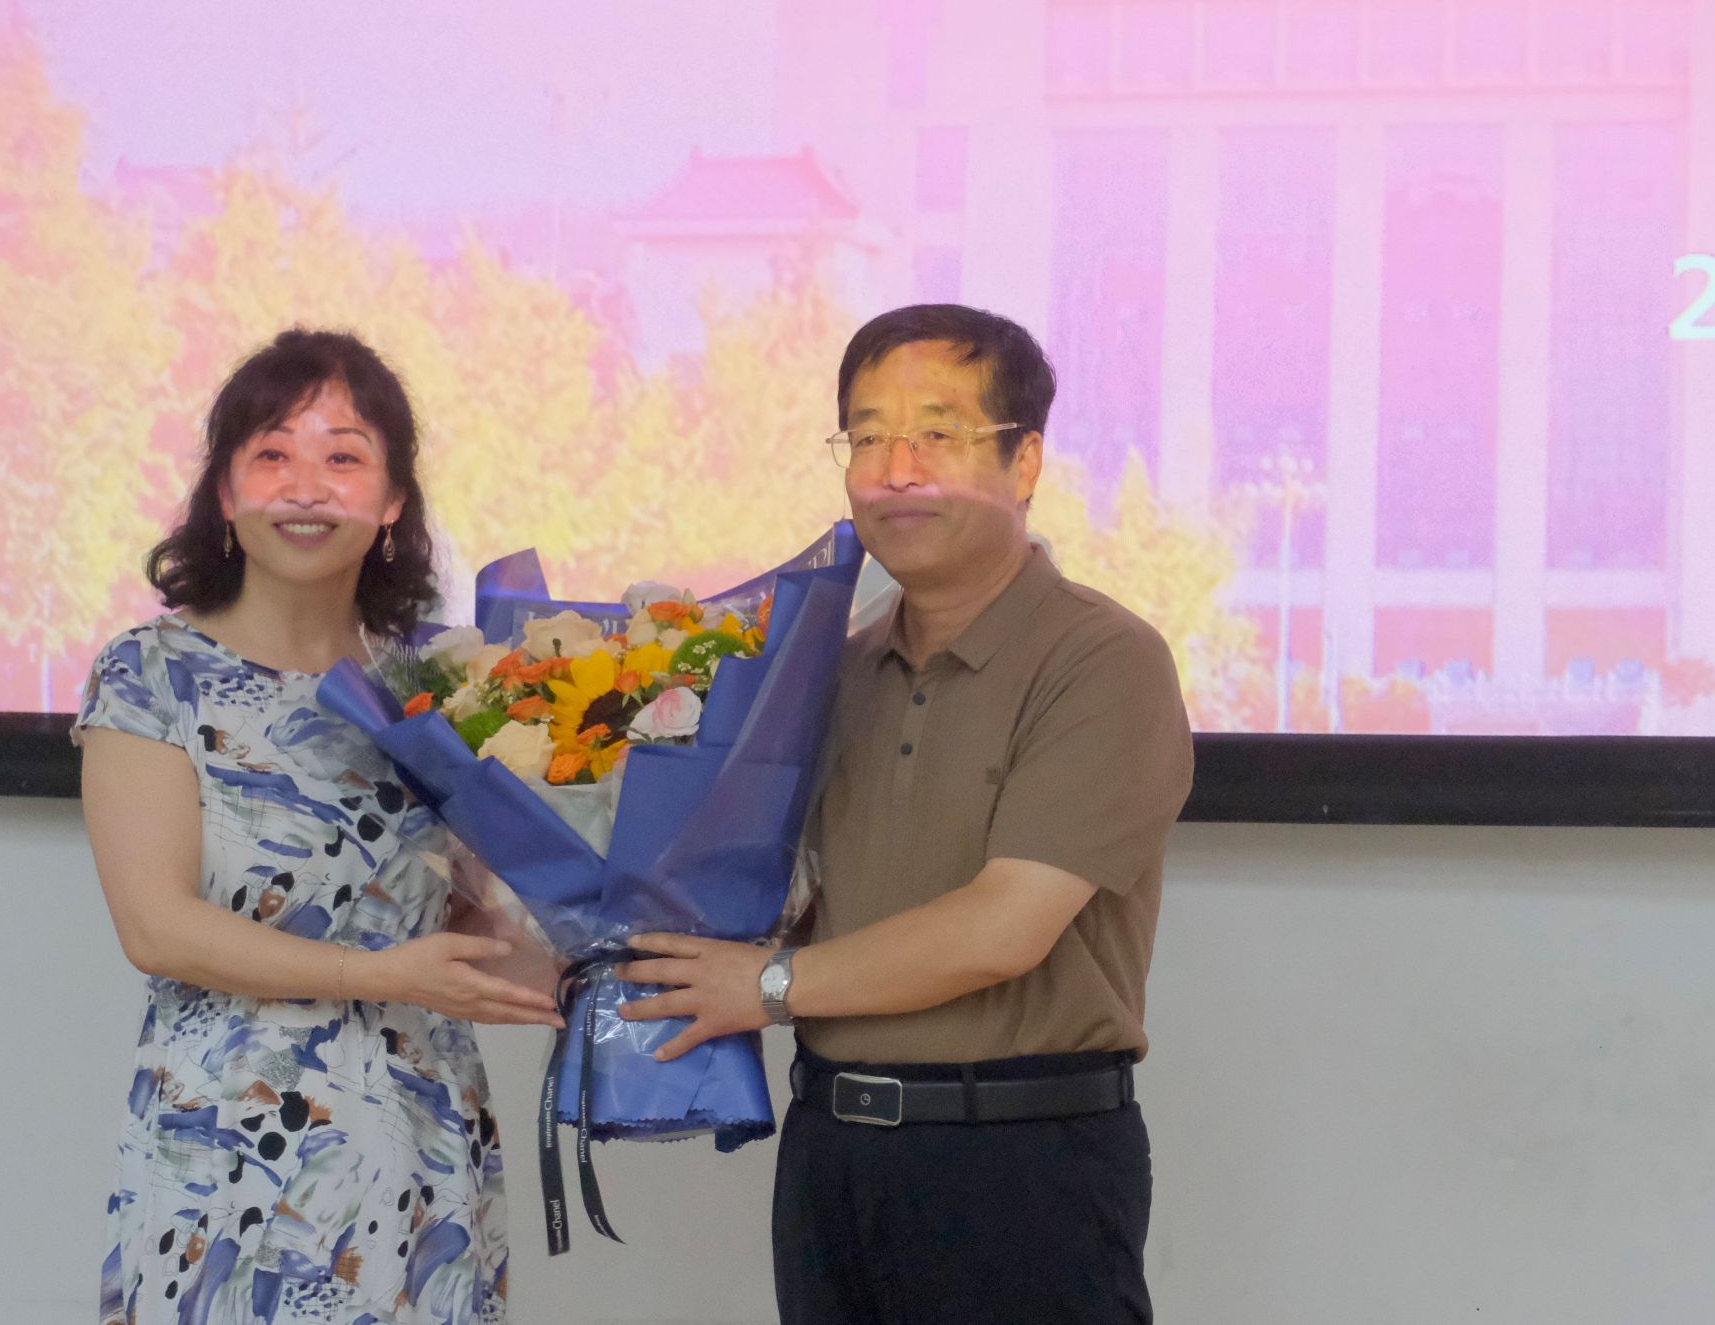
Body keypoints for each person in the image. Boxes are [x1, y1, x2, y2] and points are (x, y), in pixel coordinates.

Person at [618, 303, 1194, 1323]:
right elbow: (778, 893)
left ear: (1024, 461)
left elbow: (1004, 925)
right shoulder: (830, 672)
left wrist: (767, 985)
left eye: (937, 433)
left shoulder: (1102, 661)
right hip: (831, 1157)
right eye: (868, 436)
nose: (895, 470)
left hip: (1017, 1164)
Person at [75, 328, 563, 1325]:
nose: (306, 486)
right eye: (271, 454)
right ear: (224, 492)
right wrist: (382, 974)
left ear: (391, 502)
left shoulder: (434, 683)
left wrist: (609, 945)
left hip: (419, 1134)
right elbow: (156, 928)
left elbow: (477, 917)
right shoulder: (152, 672)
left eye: (343, 456)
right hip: (231, 1142)